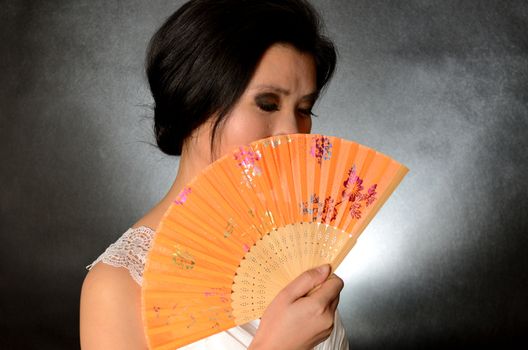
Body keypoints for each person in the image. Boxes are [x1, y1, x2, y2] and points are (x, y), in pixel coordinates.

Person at [80, 0, 349, 349]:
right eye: (267, 103)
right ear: (196, 102)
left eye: (303, 110)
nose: (293, 134)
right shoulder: (119, 285)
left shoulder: (292, 251)